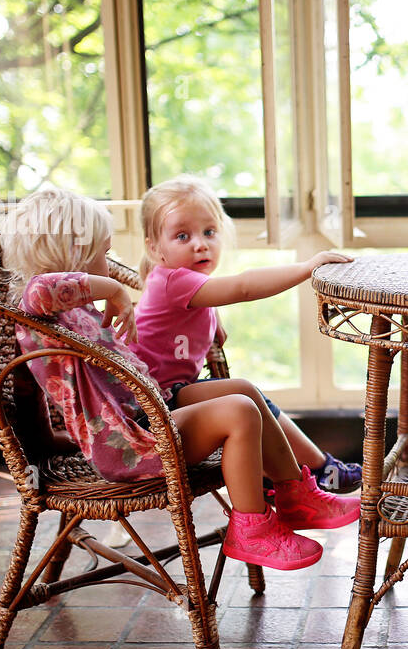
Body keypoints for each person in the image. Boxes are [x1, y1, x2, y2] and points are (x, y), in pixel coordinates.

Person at [0, 185, 346, 572]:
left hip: (147, 414)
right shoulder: (39, 305)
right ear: (73, 258)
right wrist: (114, 288)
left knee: (244, 390)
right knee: (239, 411)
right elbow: (43, 289)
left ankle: (297, 496)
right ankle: (251, 529)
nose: (109, 261)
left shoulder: (75, 311)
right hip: (128, 445)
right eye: (103, 252)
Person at [132, 174, 363, 495]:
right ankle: (317, 470)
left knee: (246, 392)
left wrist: (214, 317)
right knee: (247, 395)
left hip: (169, 396)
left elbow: (202, 300)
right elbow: (243, 287)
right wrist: (307, 267)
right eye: (182, 236)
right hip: (146, 412)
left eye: (209, 232)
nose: (200, 243)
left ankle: (308, 471)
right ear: (155, 248)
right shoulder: (173, 283)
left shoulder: (184, 284)